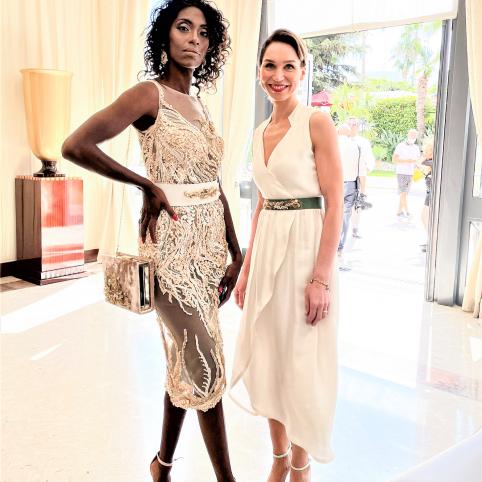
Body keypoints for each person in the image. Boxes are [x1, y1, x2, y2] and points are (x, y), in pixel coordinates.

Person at [61, 2, 241, 481]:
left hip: (209, 250)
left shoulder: (199, 104)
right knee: (206, 365)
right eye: (184, 28)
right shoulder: (148, 94)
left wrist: (236, 249)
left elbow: (213, 182)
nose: (194, 39)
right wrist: (145, 184)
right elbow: (75, 146)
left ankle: (161, 466)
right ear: (165, 36)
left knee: (185, 358)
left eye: (203, 32)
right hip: (171, 250)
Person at [231, 29, 343, 482]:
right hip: (268, 249)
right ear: (259, 71)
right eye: (270, 66)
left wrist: (321, 278)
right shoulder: (259, 132)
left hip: (304, 249)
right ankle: (278, 456)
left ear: (301, 70)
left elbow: (334, 203)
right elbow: (261, 204)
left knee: (299, 360)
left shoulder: (316, 122)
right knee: (270, 354)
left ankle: (301, 463)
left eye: (288, 66)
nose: (278, 76)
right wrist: (246, 269)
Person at [337, 122, 364, 256]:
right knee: (345, 216)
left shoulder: (332, 143)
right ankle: (339, 247)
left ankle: (328, 245)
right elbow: (362, 171)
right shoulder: (356, 146)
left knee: (330, 213)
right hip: (350, 184)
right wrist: (363, 191)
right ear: (348, 134)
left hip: (334, 183)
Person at [346, 117, 375, 238]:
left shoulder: (363, 142)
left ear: (358, 126)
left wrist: (367, 169)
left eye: (354, 124)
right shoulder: (341, 140)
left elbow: (369, 159)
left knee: (356, 205)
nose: (352, 126)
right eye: (349, 124)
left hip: (358, 178)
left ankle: (355, 228)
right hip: (343, 177)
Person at [393, 129, 420, 217]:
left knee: (404, 193)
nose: (413, 137)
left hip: (411, 173)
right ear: (408, 135)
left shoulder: (416, 148)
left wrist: (417, 167)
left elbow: (417, 161)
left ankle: (399, 211)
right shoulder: (400, 146)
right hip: (401, 172)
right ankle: (407, 211)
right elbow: (394, 159)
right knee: (403, 192)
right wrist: (407, 161)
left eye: (414, 135)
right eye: (411, 135)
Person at [418, 138, 433, 252]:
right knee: (426, 217)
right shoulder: (430, 162)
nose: (424, 153)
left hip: (432, 193)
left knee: (425, 217)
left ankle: (432, 240)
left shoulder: (432, 161)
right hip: (430, 193)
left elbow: (420, 162)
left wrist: (424, 157)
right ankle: (431, 240)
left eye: (426, 150)